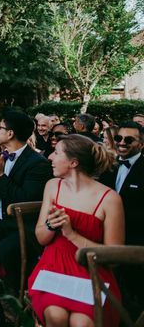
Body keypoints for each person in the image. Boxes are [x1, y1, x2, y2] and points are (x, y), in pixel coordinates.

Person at [28, 134, 123, 327]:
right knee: (56, 316)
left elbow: (113, 259)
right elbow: (41, 238)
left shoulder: (109, 199)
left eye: (56, 153)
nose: (50, 158)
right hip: (54, 265)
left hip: (92, 270)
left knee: (82, 323)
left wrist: (71, 234)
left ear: (73, 162)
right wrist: (50, 225)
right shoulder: (52, 186)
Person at [0, 111, 51, 327]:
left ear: (10, 133)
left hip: (21, 225)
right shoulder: (0, 156)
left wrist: (0, 176)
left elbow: (23, 201)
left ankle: (20, 304)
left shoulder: (38, 164)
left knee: (7, 250)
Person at [99, 121, 144, 317]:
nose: (122, 143)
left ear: (141, 144)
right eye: (118, 138)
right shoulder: (108, 166)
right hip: (104, 238)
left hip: (135, 243)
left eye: (129, 139)